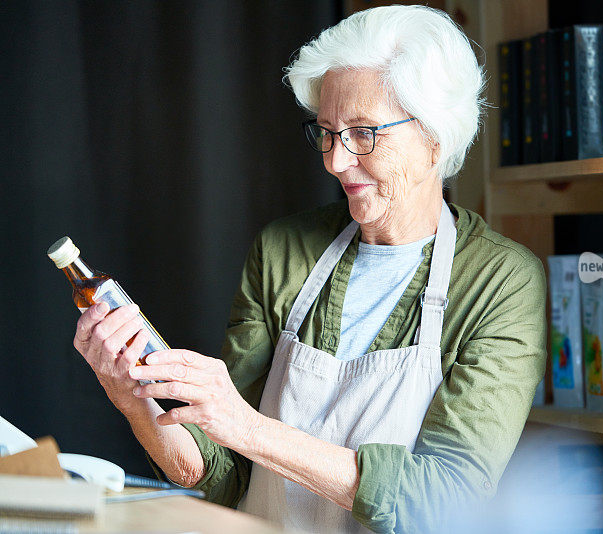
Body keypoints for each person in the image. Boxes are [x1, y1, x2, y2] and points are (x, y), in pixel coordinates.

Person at [72, 5, 546, 533]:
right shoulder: (283, 251)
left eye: (364, 133)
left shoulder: (501, 281)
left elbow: (442, 501)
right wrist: (132, 399)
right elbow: (222, 473)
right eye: (326, 131)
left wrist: (248, 427)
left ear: (436, 137)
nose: (335, 161)